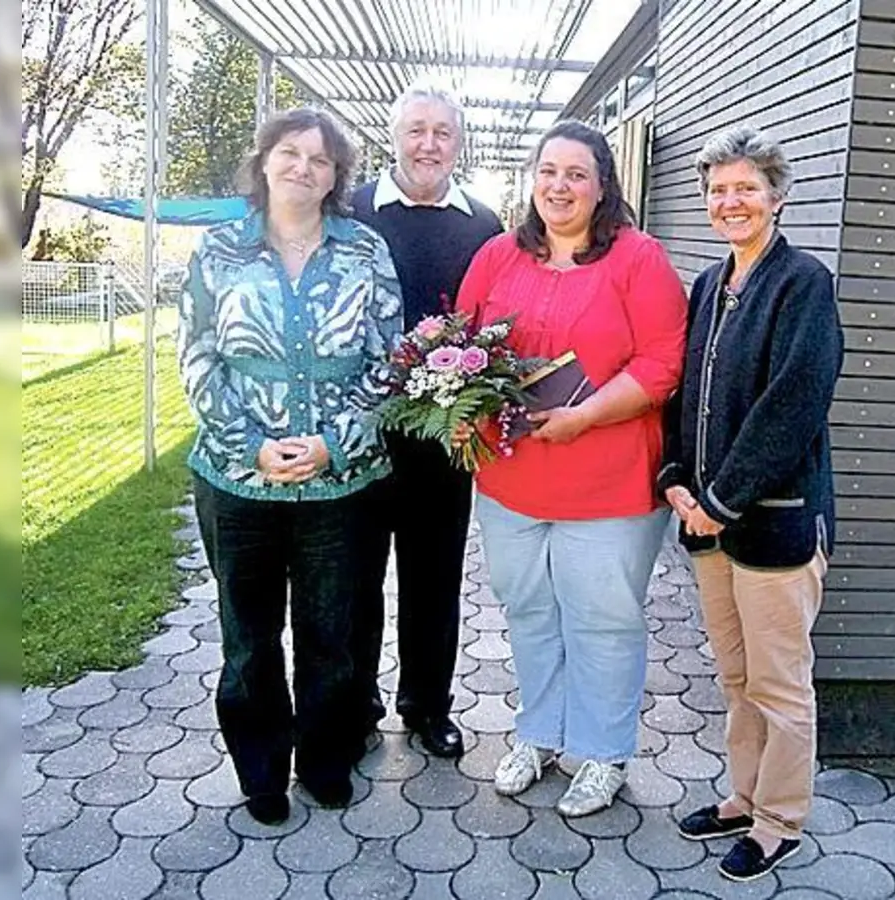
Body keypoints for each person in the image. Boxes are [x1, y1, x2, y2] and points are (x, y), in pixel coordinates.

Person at [453, 120, 687, 818]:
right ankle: (541, 733)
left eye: (576, 174)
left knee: (602, 620)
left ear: (602, 184)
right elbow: (459, 344)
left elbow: (661, 363)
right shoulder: (497, 256)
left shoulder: (639, 259)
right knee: (530, 611)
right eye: (549, 171)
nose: (560, 186)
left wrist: (586, 417)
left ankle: (603, 752)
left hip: (609, 483)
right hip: (512, 480)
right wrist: (457, 408)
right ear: (533, 180)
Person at [177, 107, 401, 821]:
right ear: (264, 159)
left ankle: (327, 758)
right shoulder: (218, 251)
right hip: (237, 481)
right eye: (290, 152)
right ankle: (262, 771)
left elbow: (389, 362)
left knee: (332, 630)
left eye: (321, 159)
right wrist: (252, 446)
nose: (303, 167)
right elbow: (197, 357)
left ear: (338, 177)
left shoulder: (365, 250)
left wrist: (336, 442)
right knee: (248, 635)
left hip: (343, 482)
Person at [657, 125, 843, 882]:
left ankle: (780, 820)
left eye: (745, 189)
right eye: (717, 191)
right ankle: (743, 794)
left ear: (776, 196)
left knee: (778, 682)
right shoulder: (708, 284)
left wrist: (721, 499)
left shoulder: (803, 282)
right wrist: (674, 474)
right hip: (708, 524)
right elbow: (685, 392)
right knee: (735, 678)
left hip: (770, 524)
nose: (729, 202)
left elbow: (792, 405)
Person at [348, 82, 503, 759]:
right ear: (395, 136)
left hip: (444, 437)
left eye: (442, 131)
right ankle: (356, 705)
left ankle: (426, 706)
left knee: (435, 579)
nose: (429, 144)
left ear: (458, 142)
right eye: (417, 130)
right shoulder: (351, 212)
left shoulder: (483, 225)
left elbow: (499, 325)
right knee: (354, 579)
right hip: (358, 436)